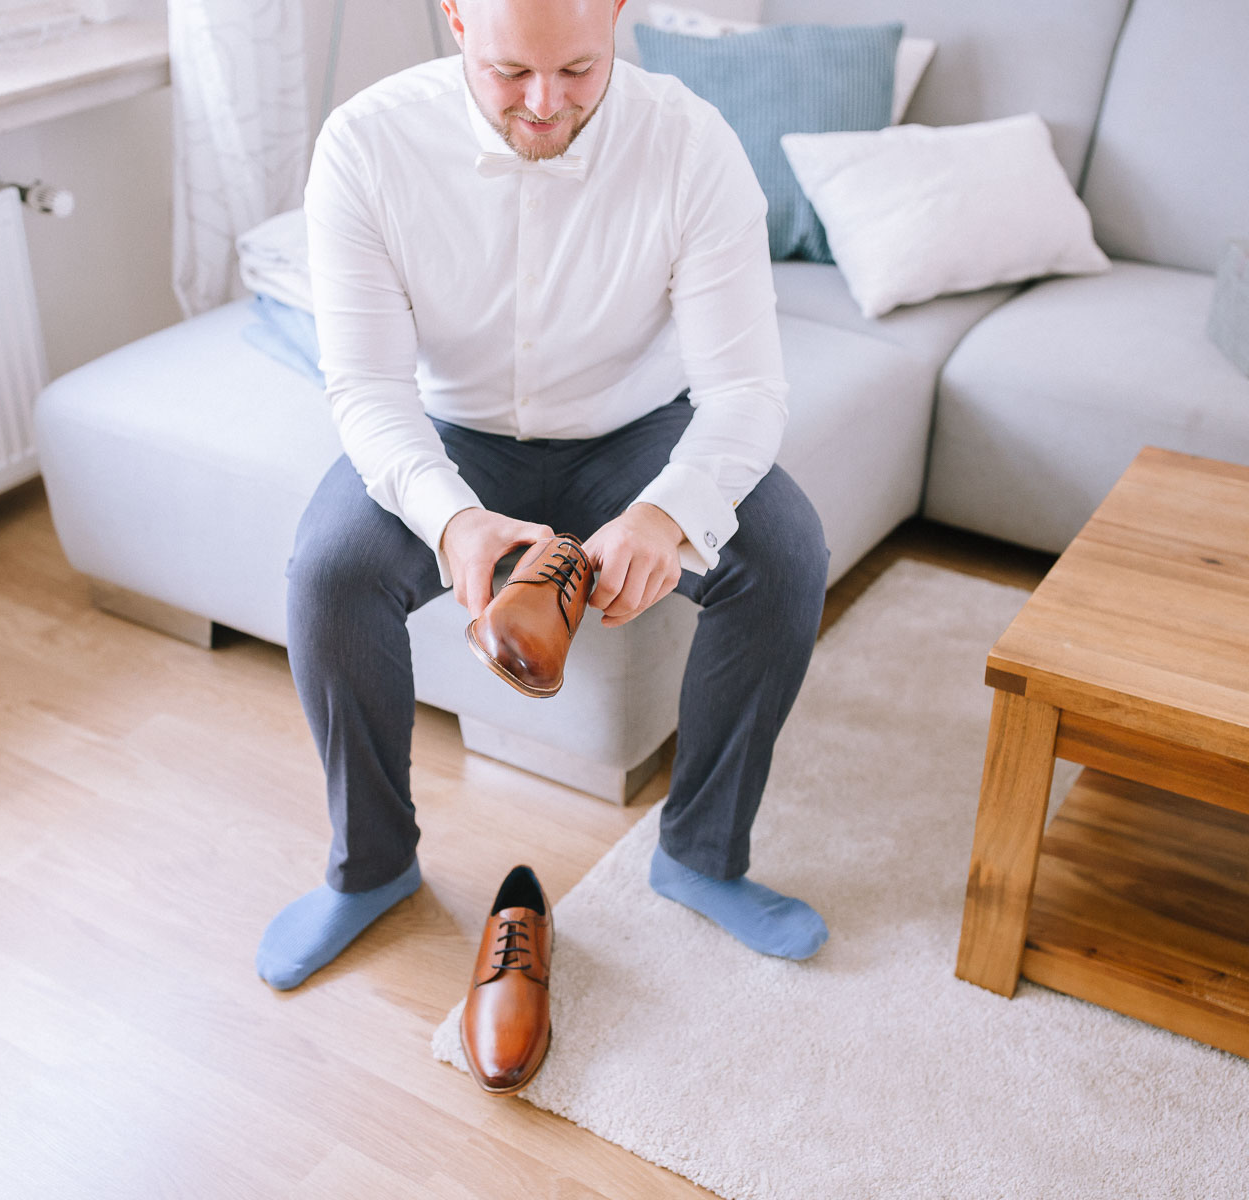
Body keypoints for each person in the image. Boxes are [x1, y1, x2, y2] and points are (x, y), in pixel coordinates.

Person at [256, 0, 831, 992]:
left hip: (635, 427)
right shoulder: (366, 141)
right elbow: (367, 389)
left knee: (783, 553)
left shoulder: (691, 141)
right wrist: (451, 517)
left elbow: (747, 391)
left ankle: (702, 855)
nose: (544, 104)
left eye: (577, 69)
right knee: (330, 570)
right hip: (454, 432)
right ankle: (372, 868)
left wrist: (667, 510)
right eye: (512, 72)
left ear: (615, 13)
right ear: (455, 19)